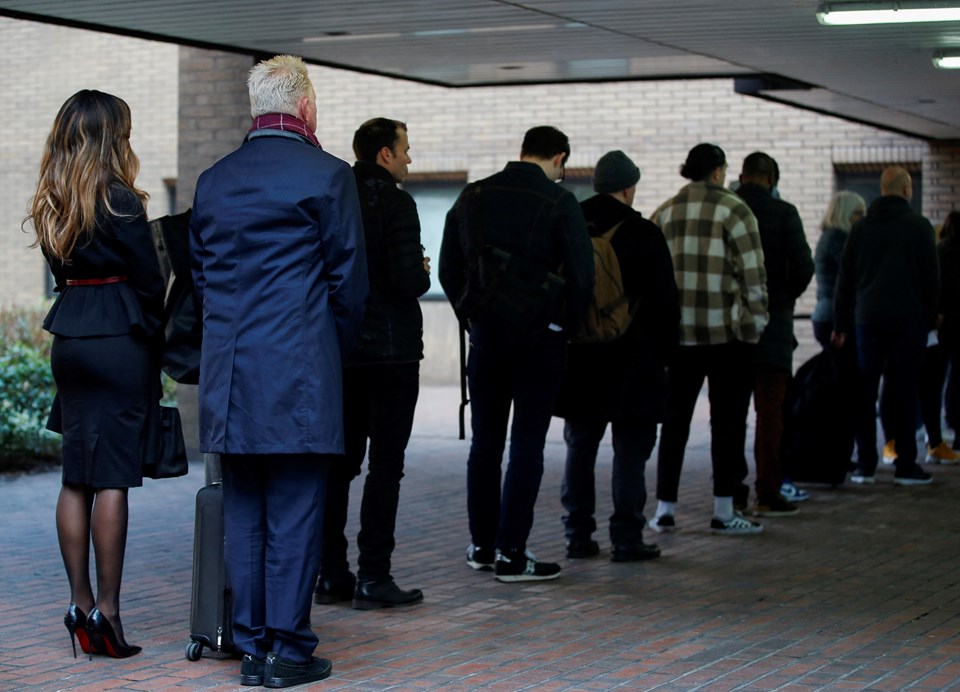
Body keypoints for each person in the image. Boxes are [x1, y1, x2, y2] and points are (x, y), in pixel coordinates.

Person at [190, 55, 367, 688]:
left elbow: (204, 281)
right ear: (307, 106)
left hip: (231, 377)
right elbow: (351, 286)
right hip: (298, 374)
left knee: (245, 514)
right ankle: (289, 654)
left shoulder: (214, 180)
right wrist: (325, 349)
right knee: (295, 514)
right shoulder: (328, 177)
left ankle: (253, 647)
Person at [30, 90, 164, 659]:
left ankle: (78, 603)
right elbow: (152, 284)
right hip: (116, 339)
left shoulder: (54, 199)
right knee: (112, 475)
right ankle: (108, 613)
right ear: (113, 135)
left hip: (70, 340)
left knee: (75, 474)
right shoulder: (121, 201)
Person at [439, 125, 594, 582]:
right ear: (559, 158)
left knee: (485, 443)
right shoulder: (560, 201)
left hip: (486, 338)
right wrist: (564, 325)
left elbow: (449, 267)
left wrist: (470, 315)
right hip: (539, 342)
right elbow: (583, 277)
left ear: (522, 151)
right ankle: (512, 553)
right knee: (527, 443)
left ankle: (482, 546)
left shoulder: (473, 196)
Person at [315, 118, 430, 610]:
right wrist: (422, 270)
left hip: (341, 351)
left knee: (337, 468)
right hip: (392, 353)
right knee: (387, 467)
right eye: (405, 150)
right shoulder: (397, 202)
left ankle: (331, 574)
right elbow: (407, 281)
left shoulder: (332, 196)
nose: (409, 159)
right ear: (384, 154)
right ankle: (374, 576)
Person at [555, 150, 678, 562]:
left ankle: (577, 535)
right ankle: (626, 537)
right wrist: (666, 358)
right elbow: (664, 303)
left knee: (580, 445)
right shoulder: (644, 232)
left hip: (582, 355)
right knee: (631, 450)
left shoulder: (571, 222)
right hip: (635, 361)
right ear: (629, 187)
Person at [648, 143, 769, 536]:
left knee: (675, 423)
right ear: (718, 171)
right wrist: (754, 328)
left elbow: (653, 278)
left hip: (677, 338)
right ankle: (722, 509)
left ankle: (664, 509)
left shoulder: (664, 212)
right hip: (725, 337)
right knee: (729, 423)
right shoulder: (735, 210)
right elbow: (753, 276)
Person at [833, 166, 938, 486]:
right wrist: (931, 320)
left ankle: (866, 462)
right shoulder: (919, 227)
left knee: (865, 390)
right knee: (905, 390)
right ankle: (906, 464)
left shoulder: (861, 229)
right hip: (908, 321)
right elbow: (931, 279)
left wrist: (842, 323)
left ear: (881, 189)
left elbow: (845, 280)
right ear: (907, 190)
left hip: (867, 320)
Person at [736, 153, 814, 515]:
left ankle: (730, 490)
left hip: (732, 326)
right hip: (774, 324)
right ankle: (767, 490)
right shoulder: (785, 214)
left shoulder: (729, 210)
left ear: (742, 175)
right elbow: (804, 265)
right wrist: (783, 298)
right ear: (772, 178)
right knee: (771, 413)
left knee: (730, 413)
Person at [811, 191, 866, 348]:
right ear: (844, 214)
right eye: (858, 213)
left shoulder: (829, 237)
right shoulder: (838, 239)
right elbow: (855, 273)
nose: (863, 218)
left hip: (826, 313)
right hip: (837, 318)